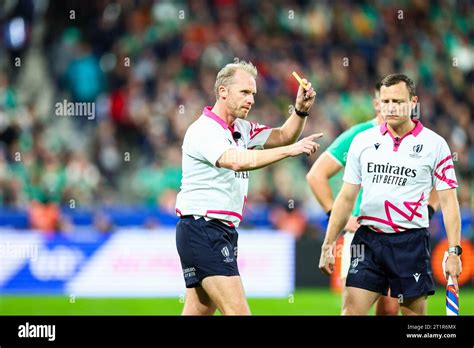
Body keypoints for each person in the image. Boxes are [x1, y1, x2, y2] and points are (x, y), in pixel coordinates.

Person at [175, 60, 321, 315]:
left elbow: (283, 136)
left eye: (253, 93)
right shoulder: (203, 130)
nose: (251, 99)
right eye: (244, 92)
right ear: (222, 91)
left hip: (219, 230)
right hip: (203, 228)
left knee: (197, 311)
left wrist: (299, 111)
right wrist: (289, 151)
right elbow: (236, 161)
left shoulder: (241, 129)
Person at [319, 74, 462, 315]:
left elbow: (449, 202)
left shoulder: (435, 145)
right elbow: (345, 197)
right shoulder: (362, 141)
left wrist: (454, 252)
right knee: (350, 313)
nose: (390, 107)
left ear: (413, 103)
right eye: (385, 102)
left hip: (411, 243)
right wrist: (328, 243)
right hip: (368, 241)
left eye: (397, 101)